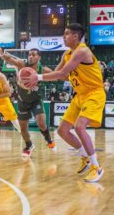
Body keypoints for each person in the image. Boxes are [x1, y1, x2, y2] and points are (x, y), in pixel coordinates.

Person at [22, 23, 104, 182]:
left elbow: (63, 73)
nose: (63, 37)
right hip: (79, 95)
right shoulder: (66, 54)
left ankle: (96, 167)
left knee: (80, 127)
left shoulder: (82, 51)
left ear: (75, 36)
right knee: (62, 130)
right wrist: (36, 74)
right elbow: (57, 74)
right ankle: (85, 158)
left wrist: (37, 77)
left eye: (66, 34)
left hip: (94, 93)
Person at [0, 47, 55, 157]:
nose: (30, 56)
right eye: (29, 54)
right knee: (23, 128)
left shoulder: (43, 70)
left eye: (33, 54)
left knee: (41, 124)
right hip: (22, 101)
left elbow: (55, 76)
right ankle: (29, 145)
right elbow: (10, 59)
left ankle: (48, 139)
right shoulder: (22, 64)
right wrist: (2, 55)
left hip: (36, 100)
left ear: (39, 57)